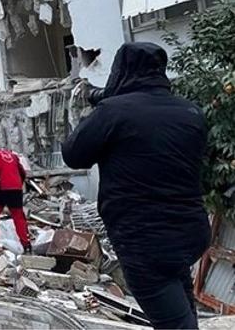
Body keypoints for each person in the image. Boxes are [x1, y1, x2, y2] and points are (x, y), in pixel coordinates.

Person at [62, 42, 209, 329]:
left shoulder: (113, 112)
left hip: (144, 239)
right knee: (179, 305)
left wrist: (101, 108)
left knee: (175, 324)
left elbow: (74, 155)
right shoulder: (191, 113)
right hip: (190, 233)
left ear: (121, 69)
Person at [0, 136, 30, 252]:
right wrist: (18, 184)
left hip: (2, 187)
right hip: (16, 189)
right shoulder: (12, 155)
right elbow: (22, 171)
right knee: (18, 216)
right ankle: (26, 244)